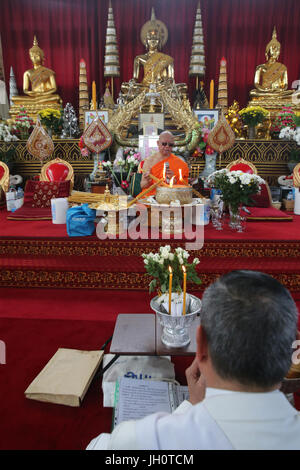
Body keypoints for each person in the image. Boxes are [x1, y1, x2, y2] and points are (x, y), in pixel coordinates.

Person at [87, 270, 300, 450]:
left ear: (201, 344)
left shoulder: (144, 440)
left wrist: (191, 405)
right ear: (294, 347)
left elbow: (96, 446)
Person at [10, 36, 62, 118]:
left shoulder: (49, 72)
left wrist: (43, 94)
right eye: (32, 56)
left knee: (56, 97)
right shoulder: (27, 73)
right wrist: (30, 93)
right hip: (33, 97)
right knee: (14, 98)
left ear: (42, 57)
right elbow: (25, 90)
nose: (34, 58)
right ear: (30, 57)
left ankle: (38, 103)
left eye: (37, 56)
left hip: (45, 97)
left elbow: (54, 88)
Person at [139, 130, 189, 196]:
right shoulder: (149, 161)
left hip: (171, 198)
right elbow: (142, 185)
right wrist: (147, 181)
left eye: (170, 145)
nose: (167, 146)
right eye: (164, 144)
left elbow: (185, 190)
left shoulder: (181, 164)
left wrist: (174, 180)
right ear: (158, 143)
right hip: (151, 198)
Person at [250, 27, 293, 100]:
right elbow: (256, 84)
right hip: (265, 92)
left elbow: (285, 84)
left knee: (294, 93)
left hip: (279, 92)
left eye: (278, 49)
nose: (275, 51)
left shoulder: (282, 67)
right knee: (253, 93)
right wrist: (265, 90)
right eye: (273, 48)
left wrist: (281, 90)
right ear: (267, 51)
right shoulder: (260, 67)